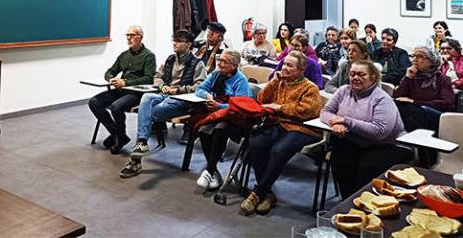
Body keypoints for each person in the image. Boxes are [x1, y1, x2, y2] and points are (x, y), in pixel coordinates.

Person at [239, 51, 322, 216]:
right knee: (256, 142)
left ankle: (257, 193)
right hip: (279, 124)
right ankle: (267, 194)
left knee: (279, 149)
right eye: (284, 64)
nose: (284, 67)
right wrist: (274, 81)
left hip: (302, 128)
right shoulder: (280, 82)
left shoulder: (309, 87)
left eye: (290, 65)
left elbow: (308, 111)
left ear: (301, 70)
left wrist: (280, 108)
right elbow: (262, 99)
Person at [119, 29, 206, 178]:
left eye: (179, 41)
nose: (175, 43)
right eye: (174, 40)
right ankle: (141, 143)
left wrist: (177, 90)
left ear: (189, 44)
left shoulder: (198, 64)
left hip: (182, 100)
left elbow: (200, 86)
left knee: (150, 111)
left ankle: (136, 158)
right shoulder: (170, 59)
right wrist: (162, 86)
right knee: (146, 98)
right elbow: (157, 76)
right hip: (164, 94)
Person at [321, 60, 412, 199]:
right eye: (352, 74)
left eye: (361, 75)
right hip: (356, 141)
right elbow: (325, 112)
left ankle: (363, 205)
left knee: (367, 167)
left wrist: (346, 121)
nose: (355, 78)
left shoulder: (382, 99)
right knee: (339, 160)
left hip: (388, 145)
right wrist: (335, 124)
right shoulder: (343, 91)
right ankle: (348, 202)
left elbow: (379, 131)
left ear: (373, 77)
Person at [88, 25, 156, 154]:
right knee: (94, 102)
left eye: (132, 35)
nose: (129, 38)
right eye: (127, 35)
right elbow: (110, 71)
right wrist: (111, 79)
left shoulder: (148, 56)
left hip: (136, 93)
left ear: (140, 37)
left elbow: (148, 78)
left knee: (115, 107)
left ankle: (117, 136)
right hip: (121, 90)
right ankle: (119, 135)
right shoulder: (124, 55)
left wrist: (125, 82)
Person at [194, 50, 252, 190]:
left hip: (236, 118)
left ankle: (209, 170)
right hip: (218, 114)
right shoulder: (216, 75)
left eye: (224, 61)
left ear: (234, 66)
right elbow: (199, 89)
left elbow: (241, 105)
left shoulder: (240, 80)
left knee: (220, 129)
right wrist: (208, 95)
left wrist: (219, 105)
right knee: (202, 131)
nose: (219, 63)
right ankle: (213, 172)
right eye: (220, 60)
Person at [394, 46, 455, 167]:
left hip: (436, 118)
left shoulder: (442, 79)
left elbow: (447, 104)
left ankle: (425, 159)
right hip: (414, 117)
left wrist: (414, 101)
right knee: (399, 106)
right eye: (414, 56)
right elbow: (398, 97)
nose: (415, 60)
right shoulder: (412, 77)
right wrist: (407, 77)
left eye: (420, 56)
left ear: (431, 62)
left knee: (414, 111)